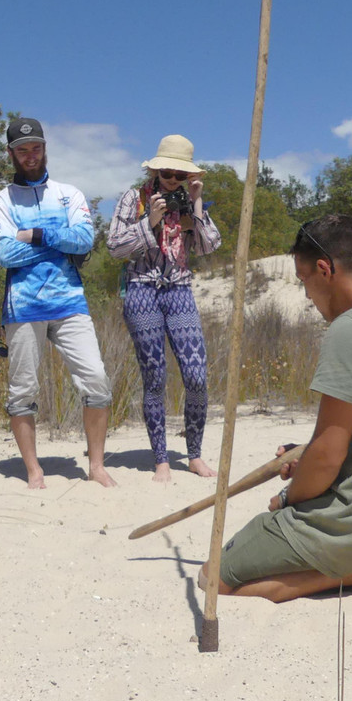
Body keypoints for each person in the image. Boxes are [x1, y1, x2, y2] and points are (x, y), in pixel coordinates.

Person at [201, 216, 352, 609]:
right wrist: (305, 453)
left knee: (213, 577)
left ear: (325, 270)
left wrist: (288, 496)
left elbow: (328, 456)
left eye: (303, 279)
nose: (307, 295)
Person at [0, 117, 116, 489]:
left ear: (45, 148)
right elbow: (6, 253)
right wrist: (57, 244)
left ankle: (96, 465)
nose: (30, 155)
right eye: (22, 149)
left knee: (96, 379)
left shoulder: (68, 193)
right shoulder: (1, 200)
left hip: (70, 302)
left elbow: (85, 240)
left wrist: (37, 234)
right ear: (11, 153)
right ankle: (33, 470)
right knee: (23, 389)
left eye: (36, 148)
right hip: (23, 307)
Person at [107, 135, 221, 481]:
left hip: (180, 288)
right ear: (156, 172)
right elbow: (114, 246)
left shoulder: (189, 201)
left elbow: (209, 246)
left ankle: (195, 454)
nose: (173, 180)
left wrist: (197, 206)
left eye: (179, 175)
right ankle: (161, 459)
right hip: (142, 288)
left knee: (197, 375)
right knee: (155, 376)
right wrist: (150, 222)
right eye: (167, 173)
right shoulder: (134, 199)